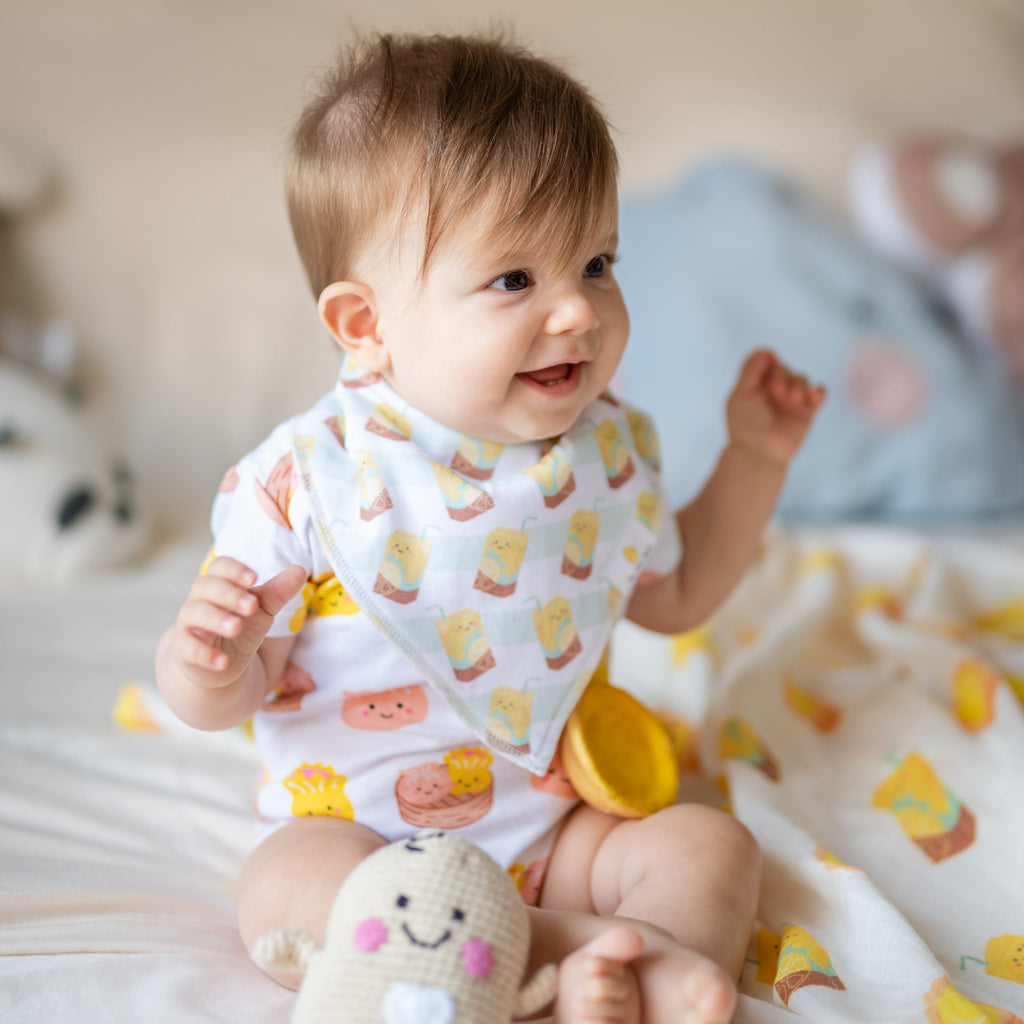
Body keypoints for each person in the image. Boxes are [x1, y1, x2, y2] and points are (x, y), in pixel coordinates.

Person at [155, 32, 824, 1024]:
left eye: (596, 262)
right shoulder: (311, 480)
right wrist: (206, 666)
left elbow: (677, 597)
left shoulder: (604, 455)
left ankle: (601, 953)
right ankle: (615, 962)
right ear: (364, 325)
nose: (577, 313)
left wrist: (755, 460)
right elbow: (228, 693)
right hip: (369, 845)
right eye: (515, 281)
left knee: (710, 846)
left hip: (560, 832)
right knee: (283, 887)